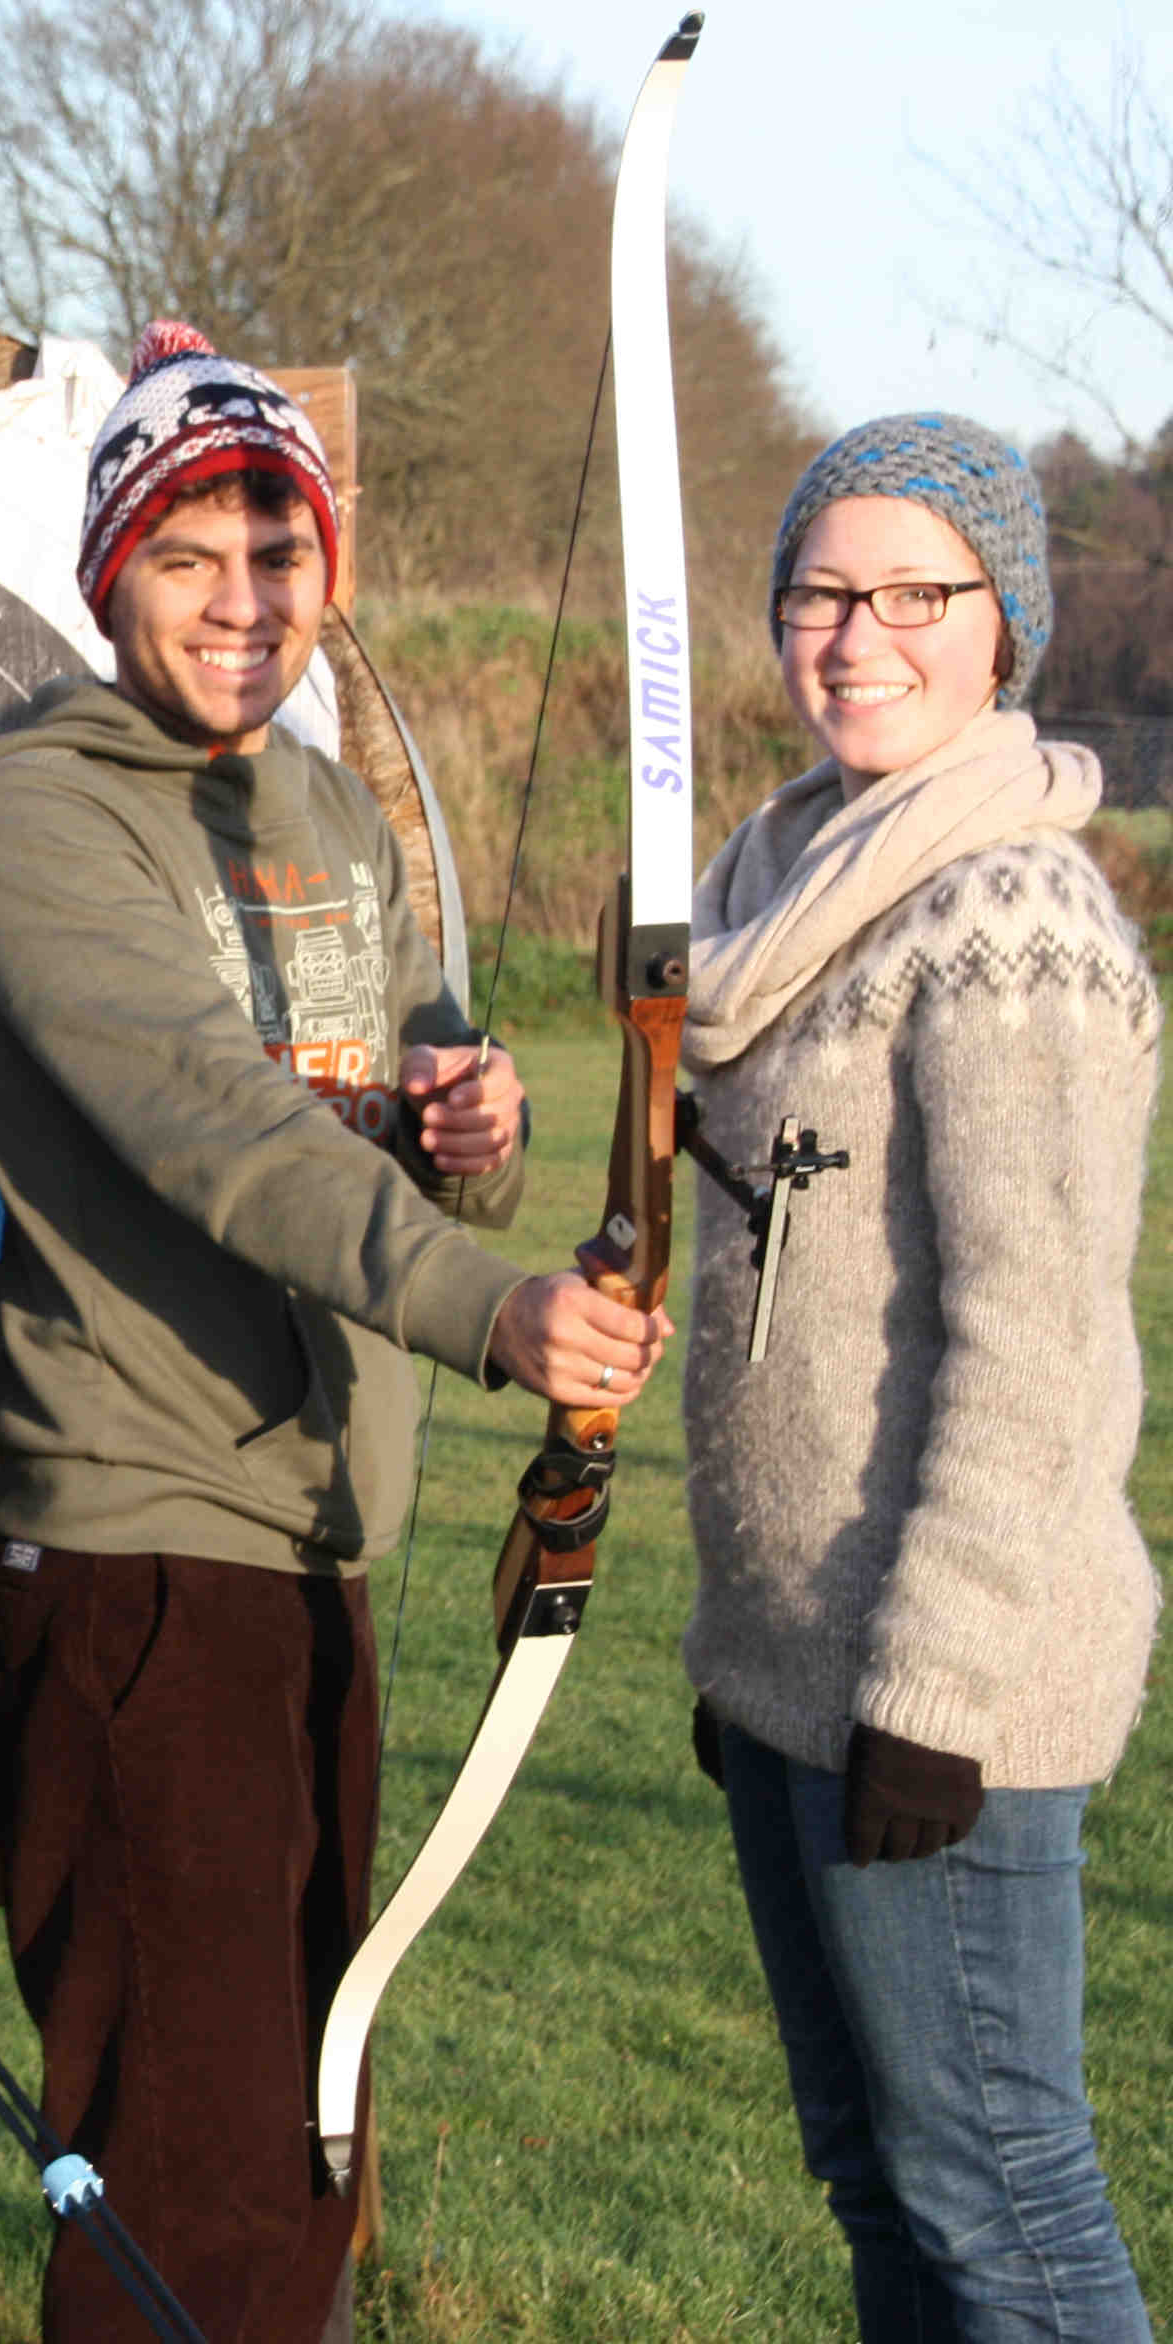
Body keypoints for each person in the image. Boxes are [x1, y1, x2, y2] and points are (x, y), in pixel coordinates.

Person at [0, 323, 665, 2344]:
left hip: (304, 1537)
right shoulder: (25, 820)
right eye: (189, 558)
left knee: (294, 2138)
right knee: (179, 2168)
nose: (241, 602)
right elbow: (206, 1120)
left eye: (276, 555)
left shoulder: (320, 813)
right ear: (108, 583)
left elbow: (366, 1069)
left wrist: (464, 1117)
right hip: (136, 1545)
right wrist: (488, 1307)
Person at [682, 414, 1157, 2342]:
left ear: (1002, 631)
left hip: (942, 1677)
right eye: (823, 591)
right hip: (799, 1664)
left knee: (999, 2193)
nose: (861, 635)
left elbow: (1037, 1353)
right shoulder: (782, 882)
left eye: (917, 596)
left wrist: (934, 1692)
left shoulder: (1009, 920)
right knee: (881, 2179)